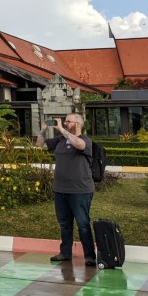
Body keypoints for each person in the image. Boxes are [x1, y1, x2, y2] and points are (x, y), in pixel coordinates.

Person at [44, 114, 97, 266]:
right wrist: (42, 131)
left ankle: (89, 256)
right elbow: (41, 145)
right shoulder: (60, 140)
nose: (65, 123)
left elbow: (79, 145)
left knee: (83, 223)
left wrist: (61, 129)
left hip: (80, 191)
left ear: (78, 124)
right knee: (64, 224)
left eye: (68, 121)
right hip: (60, 190)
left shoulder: (85, 140)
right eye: (64, 121)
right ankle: (65, 253)